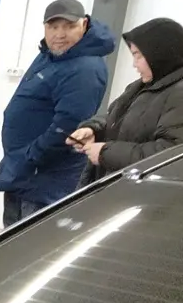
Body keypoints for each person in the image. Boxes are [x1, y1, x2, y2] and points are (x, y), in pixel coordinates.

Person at [0, 0, 116, 226]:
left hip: (45, 180)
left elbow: (67, 126)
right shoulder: (51, 55)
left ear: (84, 25)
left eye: (68, 26)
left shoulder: (85, 69)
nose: (59, 34)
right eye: (53, 26)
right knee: (12, 241)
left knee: (29, 241)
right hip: (25, 173)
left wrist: (30, 157)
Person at [70, 17, 183, 182]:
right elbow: (117, 118)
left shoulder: (178, 95)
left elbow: (170, 154)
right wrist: (94, 130)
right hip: (116, 185)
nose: (134, 65)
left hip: (140, 192)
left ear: (159, 54)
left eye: (138, 56)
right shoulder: (141, 86)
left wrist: (106, 153)